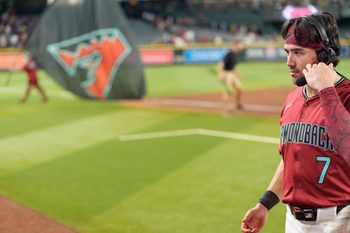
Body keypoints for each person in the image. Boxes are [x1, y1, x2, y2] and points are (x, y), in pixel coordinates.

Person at [241, 12, 350, 233]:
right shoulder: (292, 99)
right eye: (287, 53)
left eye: (298, 52)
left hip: (340, 221)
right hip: (295, 223)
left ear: (325, 54)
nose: (289, 62)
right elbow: (290, 159)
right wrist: (265, 203)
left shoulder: (347, 96)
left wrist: (327, 90)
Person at [217, 41, 243, 115]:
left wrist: (238, 74)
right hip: (226, 73)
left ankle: (238, 104)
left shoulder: (235, 54)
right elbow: (221, 63)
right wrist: (220, 73)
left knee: (240, 88)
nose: (241, 47)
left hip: (232, 74)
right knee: (227, 91)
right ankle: (225, 110)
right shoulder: (228, 54)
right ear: (235, 46)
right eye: (240, 46)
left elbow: (233, 66)